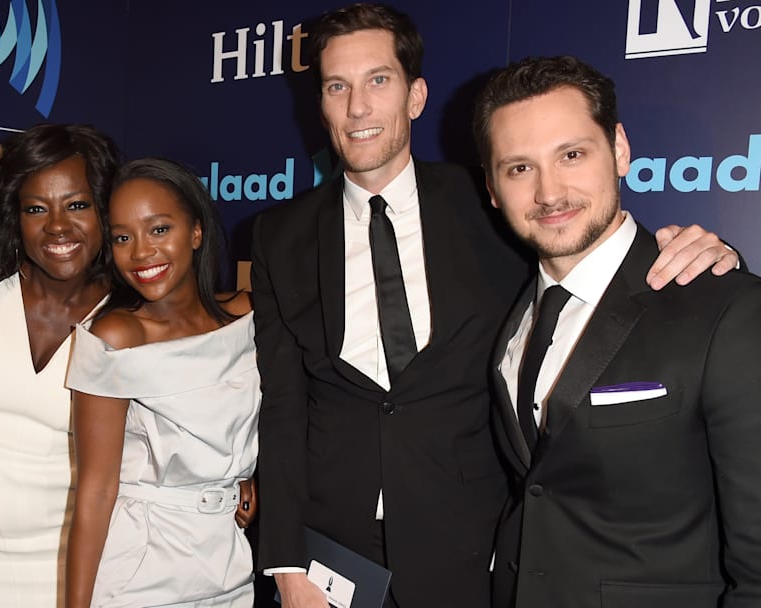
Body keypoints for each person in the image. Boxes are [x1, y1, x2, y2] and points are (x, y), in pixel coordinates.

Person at [249, 4, 740, 607]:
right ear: (320, 104)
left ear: (415, 95)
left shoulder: (497, 199)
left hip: (474, 549)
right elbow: (282, 405)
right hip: (333, 550)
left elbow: (594, 256)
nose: (357, 107)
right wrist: (286, 561)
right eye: (336, 87)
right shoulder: (278, 235)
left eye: (378, 80)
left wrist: (714, 255)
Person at [475, 55, 761, 608]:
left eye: (572, 155)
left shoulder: (726, 309)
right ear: (492, 187)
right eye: (519, 168)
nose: (549, 192)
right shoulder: (507, 310)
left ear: (620, 150)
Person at [0, 123, 119, 607]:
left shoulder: (130, 315)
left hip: (75, 567)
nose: (57, 226)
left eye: (77, 205)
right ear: (13, 213)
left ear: (106, 208)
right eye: (36, 208)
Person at [65, 158, 258, 607]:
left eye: (158, 229)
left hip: (228, 560)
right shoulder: (115, 336)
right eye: (122, 237)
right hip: (141, 570)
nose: (140, 252)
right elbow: (96, 491)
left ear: (196, 232)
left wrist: (248, 475)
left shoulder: (248, 316)